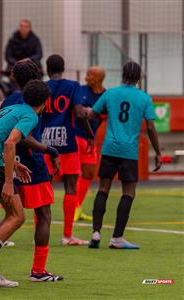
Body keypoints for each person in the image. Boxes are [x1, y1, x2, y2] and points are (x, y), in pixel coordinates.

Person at [0, 59, 63, 284]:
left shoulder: (10, 103)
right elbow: (11, 142)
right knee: (23, 215)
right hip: (10, 163)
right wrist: (9, 180)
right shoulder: (30, 113)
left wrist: (14, 164)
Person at [85, 61, 162, 249]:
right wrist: (158, 152)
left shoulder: (110, 93)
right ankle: (117, 238)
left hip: (110, 148)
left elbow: (92, 114)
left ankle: (96, 233)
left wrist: (88, 123)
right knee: (129, 192)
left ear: (123, 75)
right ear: (138, 78)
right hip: (129, 152)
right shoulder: (144, 98)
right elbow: (150, 127)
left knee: (103, 188)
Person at [42, 54, 95, 246]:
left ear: (47, 70)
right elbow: (80, 113)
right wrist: (90, 134)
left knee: (44, 187)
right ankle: (67, 235)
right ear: (63, 68)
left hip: (45, 144)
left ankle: (41, 234)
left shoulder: (42, 87)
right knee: (70, 188)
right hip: (67, 143)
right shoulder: (73, 86)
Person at [74, 66, 106, 222]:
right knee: (72, 174)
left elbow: (102, 116)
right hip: (75, 135)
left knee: (89, 173)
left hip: (89, 139)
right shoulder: (80, 90)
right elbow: (79, 113)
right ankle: (73, 208)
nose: (87, 76)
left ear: (99, 78)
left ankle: (77, 206)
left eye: (90, 74)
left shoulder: (105, 95)